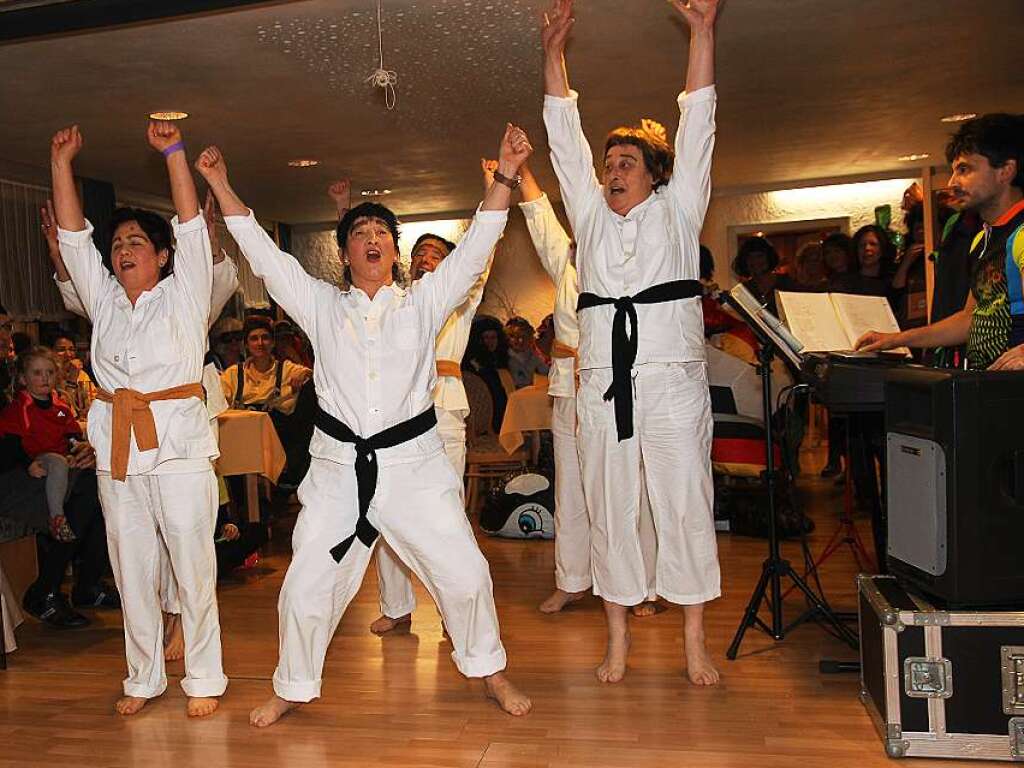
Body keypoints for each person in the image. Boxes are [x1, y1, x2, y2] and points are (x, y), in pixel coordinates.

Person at [199, 122, 534, 727]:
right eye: (360, 232)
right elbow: (267, 259)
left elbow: (480, 246)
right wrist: (221, 184)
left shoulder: (424, 303)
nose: (372, 238)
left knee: (465, 571)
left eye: (382, 231)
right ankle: (293, 686)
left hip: (413, 467)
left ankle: (489, 668)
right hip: (337, 470)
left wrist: (506, 175)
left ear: (395, 252)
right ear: (345, 252)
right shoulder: (322, 306)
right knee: (305, 586)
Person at [541, 0, 722, 685]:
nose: (613, 170)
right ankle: (616, 638)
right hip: (602, 384)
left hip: (671, 379)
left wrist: (702, 32)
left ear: (655, 173)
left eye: (627, 161)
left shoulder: (678, 212)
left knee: (683, 499)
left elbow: (699, 121)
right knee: (611, 505)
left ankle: (692, 638)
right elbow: (564, 139)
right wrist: (552, 57)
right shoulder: (588, 218)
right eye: (609, 161)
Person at [51, 121, 226, 717]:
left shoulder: (185, 292)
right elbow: (74, 238)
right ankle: (144, 676)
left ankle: (203, 678)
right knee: (131, 569)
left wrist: (174, 153)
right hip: (118, 451)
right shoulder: (103, 302)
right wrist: (61, 164)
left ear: (162, 255)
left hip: (176, 449)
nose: (123, 251)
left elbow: (192, 223)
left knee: (192, 566)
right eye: (118, 244)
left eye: (135, 243)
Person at [517, 161, 662, 617]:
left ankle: (643, 586)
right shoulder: (567, 260)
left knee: (631, 488)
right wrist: (522, 170)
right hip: (567, 386)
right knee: (571, 489)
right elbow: (541, 219)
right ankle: (573, 580)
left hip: (618, 387)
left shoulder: (630, 261)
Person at [366, 161, 498, 637]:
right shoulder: (396, 302)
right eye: (420, 252)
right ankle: (396, 606)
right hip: (399, 417)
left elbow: (481, 259)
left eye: (437, 253)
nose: (427, 258)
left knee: (447, 516)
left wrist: (492, 187)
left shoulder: (458, 300)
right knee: (385, 509)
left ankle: (453, 610)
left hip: (444, 407)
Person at [857, 113, 1024, 370]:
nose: (952, 182)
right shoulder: (982, 238)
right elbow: (969, 319)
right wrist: (895, 339)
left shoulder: (1021, 233)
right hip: (991, 389)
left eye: (965, 169)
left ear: (1005, 171)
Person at [0, 347, 83, 542]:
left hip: (62, 460)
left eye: (50, 372)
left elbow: (71, 434)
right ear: (23, 379)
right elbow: (11, 443)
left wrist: (74, 449)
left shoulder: (60, 408)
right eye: (37, 373)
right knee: (57, 461)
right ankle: (56, 518)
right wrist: (27, 463)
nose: (45, 378)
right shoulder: (19, 408)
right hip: (38, 459)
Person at [504, 316, 550, 388]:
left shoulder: (532, 356)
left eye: (524, 337)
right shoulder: (504, 358)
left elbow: (546, 371)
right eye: (515, 337)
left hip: (526, 394)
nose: (520, 341)